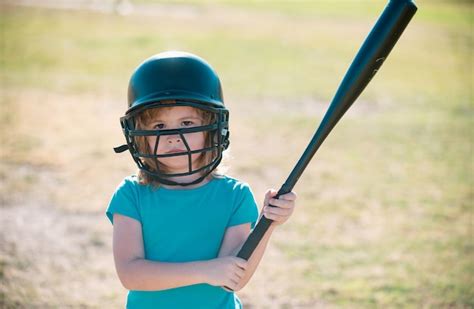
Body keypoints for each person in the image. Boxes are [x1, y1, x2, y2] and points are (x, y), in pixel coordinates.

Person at [107, 51, 297, 308]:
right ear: (139, 134)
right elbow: (131, 274)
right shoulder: (132, 194)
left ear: (212, 128)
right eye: (159, 126)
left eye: (187, 122)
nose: (173, 135)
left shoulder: (234, 196)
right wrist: (205, 270)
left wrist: (269, 223)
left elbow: (232, 279)